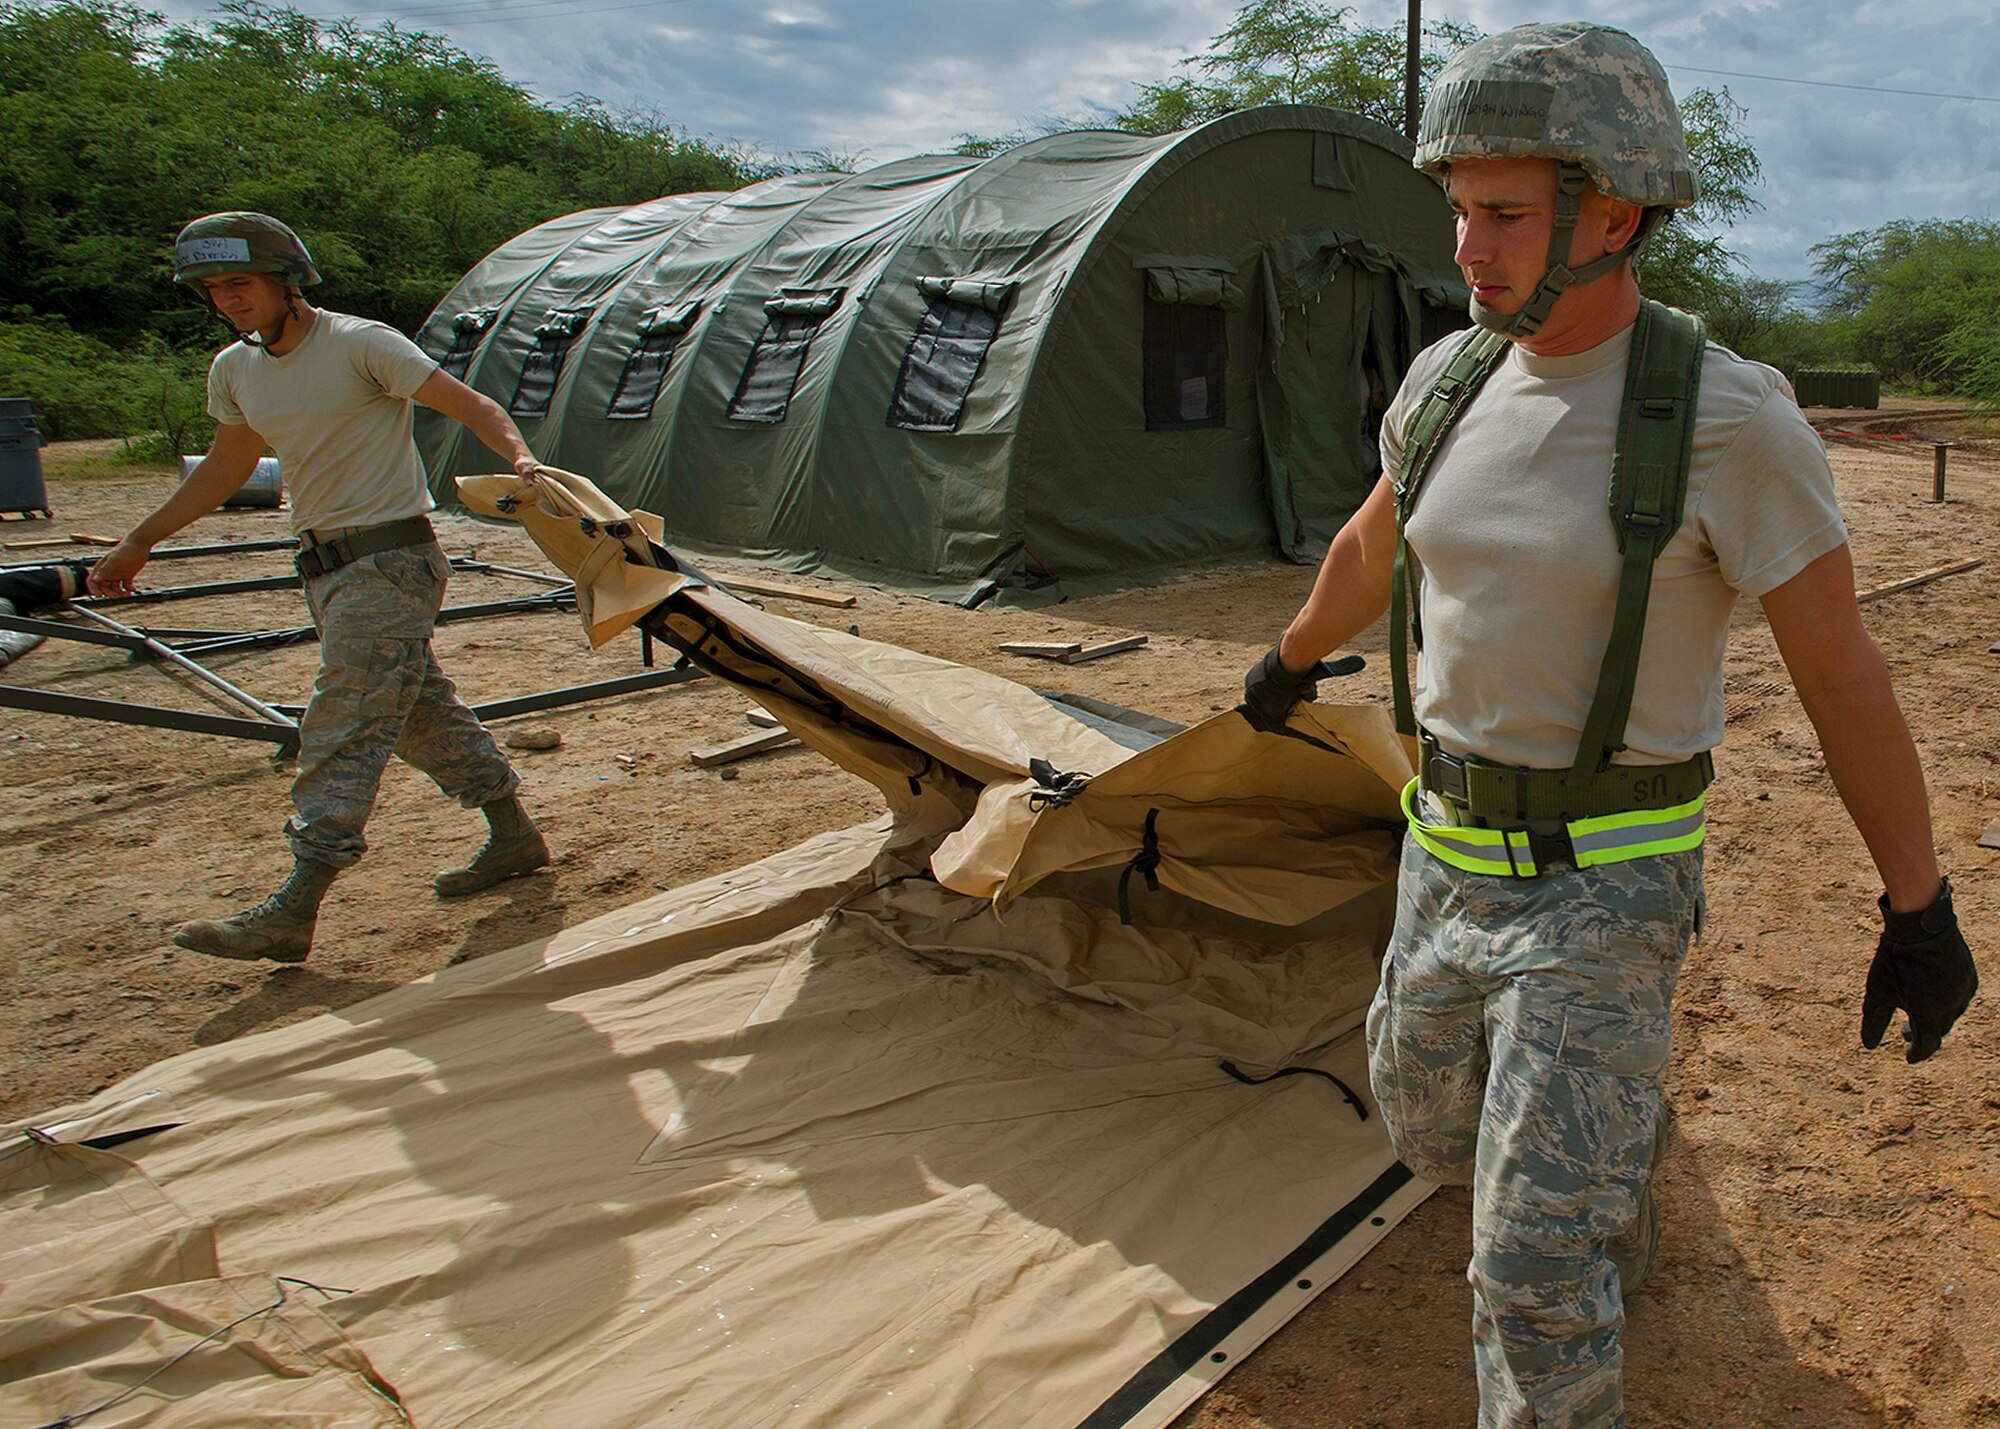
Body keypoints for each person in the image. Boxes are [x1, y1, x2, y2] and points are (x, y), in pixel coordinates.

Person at [1239, 23, 1977, 1429]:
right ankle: (1603, 1168)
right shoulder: (1446, 382)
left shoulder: (1726, 419)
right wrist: (1281, 668)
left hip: (1607, 889)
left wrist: (1918, 902)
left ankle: (1579, 1220)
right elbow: (1369, 545)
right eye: (1461, 212)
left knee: (1527, 1266)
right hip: (1440, 854)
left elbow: (1845, 679)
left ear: (1617, 213)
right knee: (1425, 1124)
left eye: (1506, 214)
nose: (1469, 248)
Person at [89, 212, 553, 963]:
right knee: (413, 710)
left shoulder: (361, 344)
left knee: (345, 717)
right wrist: (140, 539)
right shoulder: (234, 370)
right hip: (325, 567)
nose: (226, 300)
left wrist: (521, 457)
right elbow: (226, 466)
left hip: (390, 558)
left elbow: (469, 404)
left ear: (286, 279)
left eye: (238, 283)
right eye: (212, 289)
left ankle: (297, 900)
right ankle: (513, 833)